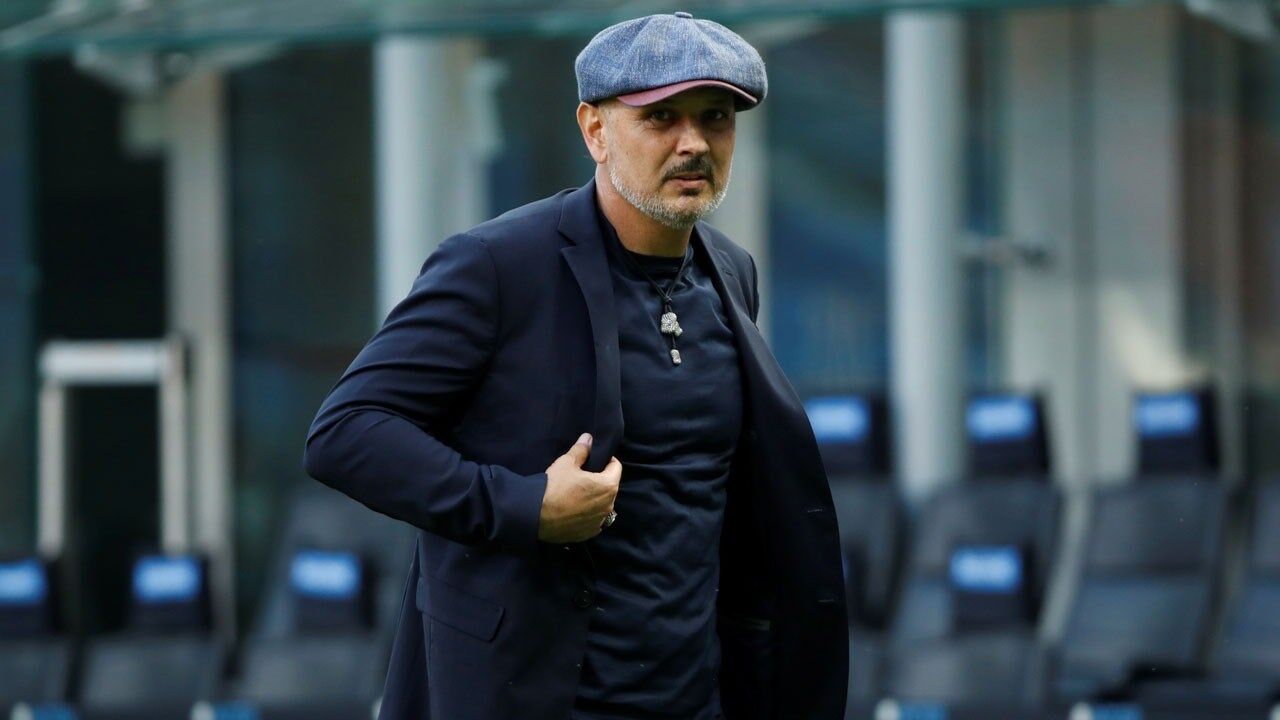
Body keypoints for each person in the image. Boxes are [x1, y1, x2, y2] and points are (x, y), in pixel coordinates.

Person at [303, 11, 847, 720]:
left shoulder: (730, 272)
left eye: (715, 117)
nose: (693, 143)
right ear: (595, 130)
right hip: (537, 698)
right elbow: (345, 433)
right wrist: (523, 506)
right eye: (660, 118)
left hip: (698, 699)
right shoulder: (499, 266)